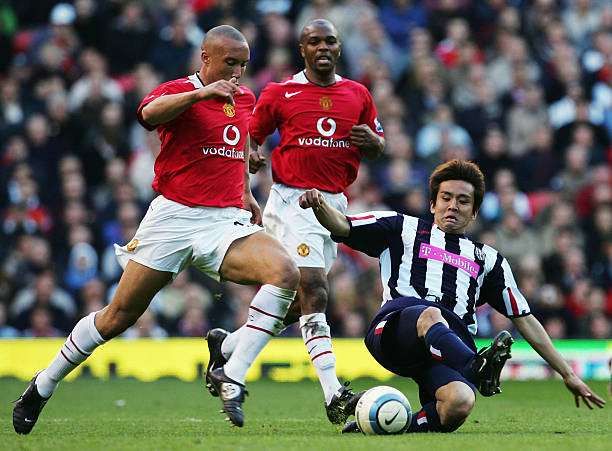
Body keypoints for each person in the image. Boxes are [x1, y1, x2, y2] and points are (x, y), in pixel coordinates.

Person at [12, 25, 300, 433]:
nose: (237, 73)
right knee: (116, 318)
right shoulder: (178, 90)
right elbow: (147, 115)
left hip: (223, 222)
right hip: (173, 218)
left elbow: (234, 150)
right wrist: (201, 94)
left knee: (287, 275)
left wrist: (247, 193)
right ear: (206, 58)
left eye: (243, 65)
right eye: (229, 63)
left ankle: (230, 365)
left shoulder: (245, 98)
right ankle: (42, 385)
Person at [297, 159, 605, 434]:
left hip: (446, 345)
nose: (452, 206)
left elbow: (524, 318)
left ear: (473, 213)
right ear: (432, 204)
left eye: (463, 201)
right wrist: (320, 205)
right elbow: (343, 226)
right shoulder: (401, 227)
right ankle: (477, 368)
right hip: (395, 331)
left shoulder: (489, 260)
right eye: (445, 198)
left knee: (460, 402)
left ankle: (393, 422)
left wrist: (567, 374)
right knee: (430, 313)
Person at [204, 19, 385, 425]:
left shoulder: (358, 94)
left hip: (333, 204)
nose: (323, 47)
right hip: (291, 201)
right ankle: (332, 391)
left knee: (298, 301)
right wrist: (250, 155)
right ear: (302, 49)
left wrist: (375, 144)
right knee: (316, 291)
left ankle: (228, 347)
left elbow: (378, 142)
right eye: (314, 41)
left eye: (330, 41)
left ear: (339, 48)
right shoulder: (280, 92)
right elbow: (250, 132)